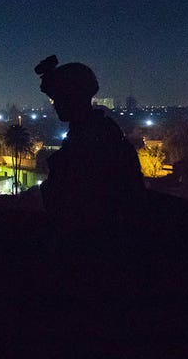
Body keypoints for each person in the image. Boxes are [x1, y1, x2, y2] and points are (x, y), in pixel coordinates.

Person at [34, 55, 145, 236]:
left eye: (59, 99)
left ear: (73, 98)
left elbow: (72, 200)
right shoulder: (101, 129)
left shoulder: (91, 139)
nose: (55, 106)